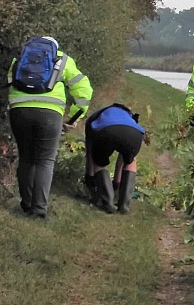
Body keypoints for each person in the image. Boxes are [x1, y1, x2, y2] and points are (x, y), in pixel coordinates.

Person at [7, 36, 92, 218]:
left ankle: (26, 205)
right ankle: (39, 211)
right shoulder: (62, 60)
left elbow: (9, 80)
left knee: (26, 158)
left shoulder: (20, 58)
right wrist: (76, 115)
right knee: (45, 161)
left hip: (19, 111)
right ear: (54, 48)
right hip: (50, 114)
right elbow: (84, 89)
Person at [84, 103, 145, 214]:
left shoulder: (94, 119)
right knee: (130, 160)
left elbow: (90, 153)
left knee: (100, 161)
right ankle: (124, 205)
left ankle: (108, 202)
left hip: (106, 131)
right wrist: (117, 182)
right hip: (134, 134)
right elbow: (123, 159)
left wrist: (90, 178)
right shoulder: (129, 117)